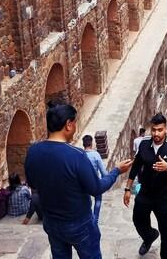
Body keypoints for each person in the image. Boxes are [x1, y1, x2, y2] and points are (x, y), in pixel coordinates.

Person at [25, 103, 131, 259]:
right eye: (75, 123)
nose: (75, 127)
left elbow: (33, 184)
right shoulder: (77, 156)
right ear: (68, 124)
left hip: (52, 222)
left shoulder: (33, 151)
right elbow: (96, 188)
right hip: (79, 223)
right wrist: (116, 171)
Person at [125, 112, 167, 258]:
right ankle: (150, 236)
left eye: (160, 130)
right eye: (154, 130)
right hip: (145, 192)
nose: (156, 133)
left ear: (166, 129)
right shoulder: (144, 143)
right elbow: (136, 166)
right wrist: (127, 188)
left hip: (164, 197)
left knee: (166, 234)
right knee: (137, 219)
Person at [83, 134, 109, 225]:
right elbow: (103, 172)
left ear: (83, 144)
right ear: (91, 144)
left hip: (83, 183)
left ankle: (87, 217)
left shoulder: (80, 154)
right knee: (98, 199)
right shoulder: (95, 155)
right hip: (95, 182)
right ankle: (95, 219)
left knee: (86, 200)